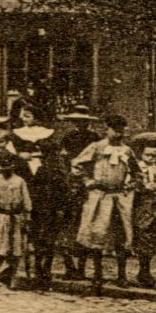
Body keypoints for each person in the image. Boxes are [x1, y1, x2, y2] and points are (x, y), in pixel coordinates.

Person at [71, 112, 140, 293]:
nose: (118, 134)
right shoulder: (97, 147)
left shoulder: (126, 150)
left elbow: (137, 172)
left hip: (118, 197)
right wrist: (87, 181)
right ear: (106, 129)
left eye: (121, 131)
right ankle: (97, 275)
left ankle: (122, 275)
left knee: (120, 236)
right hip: (100, 196)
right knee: (97, 234)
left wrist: (130, 185)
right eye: (114, 130)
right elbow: (77, 165)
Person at [56, 104, 100, 280]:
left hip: (87, 183)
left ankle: (81, 267)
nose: (80, 125)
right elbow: (63, 159)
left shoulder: (94, 139)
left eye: (83, 122)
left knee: (85, 225)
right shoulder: (68, 138)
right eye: (77, 122)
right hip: (69, 183)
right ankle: (69, 266)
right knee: (67, 225)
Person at [0, 150, 32, 289]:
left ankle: (12, 279)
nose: (6, 171)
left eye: (8, 168)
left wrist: (27, 219)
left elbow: (26, 201)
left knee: (15, 250)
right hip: (0, 217)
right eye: (3, 168)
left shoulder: (20, 181)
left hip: (16, 218)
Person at [26, 136, 69, 288]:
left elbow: (34, 190)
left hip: (42, 209)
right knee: (49, 241)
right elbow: (65, 192)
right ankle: (46, 271)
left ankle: (40, 270)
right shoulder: (61, 170)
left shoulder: (43, 169)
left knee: (40, 239)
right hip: (53, 209)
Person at [130, 142, 156, 288]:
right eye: (148, 155)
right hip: (141, 206)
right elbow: (134, 185)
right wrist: (145, 187)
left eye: (154, 155)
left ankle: (146, 271)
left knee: (153, 237)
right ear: (141, 154)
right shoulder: (137, 168)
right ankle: (143, 271)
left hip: (155, 207)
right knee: (142, 236)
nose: (151, 158)